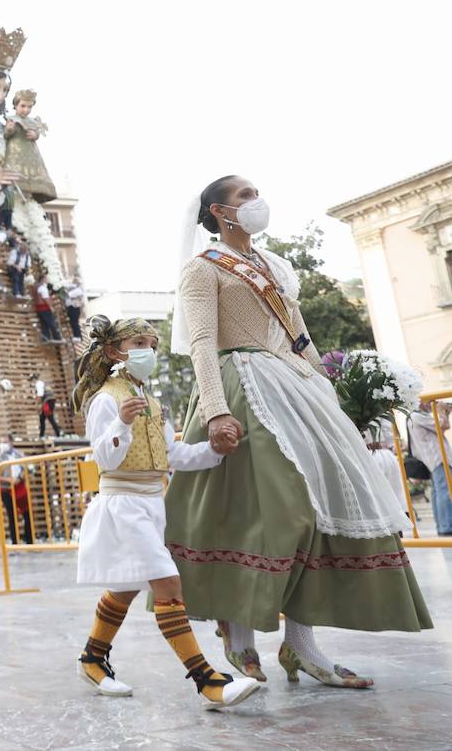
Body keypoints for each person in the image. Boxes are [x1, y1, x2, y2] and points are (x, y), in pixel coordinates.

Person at [165, 175, 430, 690]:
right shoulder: (202, 269)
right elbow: (200, 341)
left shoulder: (278, 267)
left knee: (319, 512)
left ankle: (301, 645)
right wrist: (217, 412)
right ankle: (239, 640)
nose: (257, 201)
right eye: (245, 196)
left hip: (296, 388)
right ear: (220, 212)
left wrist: (335, 397)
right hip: (242, 391)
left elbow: (301, 338)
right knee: (257, 514)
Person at [71, 315, 260, 709]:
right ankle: (207, 682)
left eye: (152, 345)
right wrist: (120, 423)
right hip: (123, 506)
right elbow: (105, 457)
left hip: (151, 505)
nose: (148, 352)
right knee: (169, 586)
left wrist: (215, 451)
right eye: (139, 343)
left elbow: (174, 456)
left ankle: (92, 658)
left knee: (123, 588)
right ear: (113, 352)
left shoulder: (153, 405)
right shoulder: (106, 400)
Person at [2, 88, 57, 202]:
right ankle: (16, 199)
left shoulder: (33, 121)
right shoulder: (11, 119)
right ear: (16, 105)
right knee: (15, 181)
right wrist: (9, 130)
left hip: (31, 154)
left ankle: (30, 198)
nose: (26, 110)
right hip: (15, 153)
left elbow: (38, 133)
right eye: (23, 106)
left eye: (29, 107)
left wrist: (35, 135)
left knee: (32, 180)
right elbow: (5, 137)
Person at [410, 402, 452, 535]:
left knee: (438, 492)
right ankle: (446, 526)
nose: (430, 404)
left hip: (435, 459)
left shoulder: (418, 416)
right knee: (443, 491)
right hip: (438, 458)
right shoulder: (417, 416)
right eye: (428, 402)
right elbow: (444, 425)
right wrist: (441, 411)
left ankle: (442, 526)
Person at [0, 441, 32, 544]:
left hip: (19, 486)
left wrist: (19, 478)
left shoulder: (18, 455)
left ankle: (29, 540)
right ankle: (15, 541)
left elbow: (27, 468)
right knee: (11, 515)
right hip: (6, 489)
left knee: (27, 513)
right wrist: (9, 480)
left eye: (5, 441)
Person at [33, 276, 64, 343]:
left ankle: (46, 338)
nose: (48, 280)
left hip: (39, 309)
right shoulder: (43, 288)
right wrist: (51, 307)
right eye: (47, 279)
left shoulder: (37, 287)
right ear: (43, 279)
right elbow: (45, 298)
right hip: (45, 308)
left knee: (44, 324)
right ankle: (57, 338)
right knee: (51, 323)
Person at [65, 275, 86, 342]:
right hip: (72, 307)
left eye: (75, 281)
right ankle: (77, 336)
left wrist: (65, 290)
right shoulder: (76, 288)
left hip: (74, 307)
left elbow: (69, 294)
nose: (73, 282)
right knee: (73, 322)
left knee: (74, 322)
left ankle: (78, 336)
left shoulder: (79, 290)